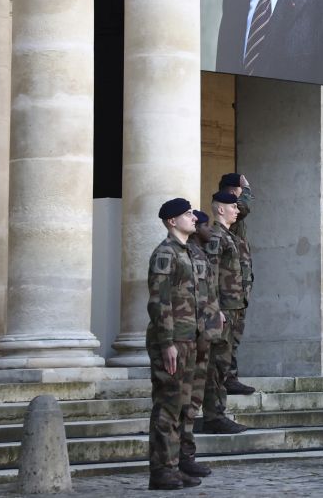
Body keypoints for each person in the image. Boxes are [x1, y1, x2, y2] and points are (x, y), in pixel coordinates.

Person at [146, 198, 204, 490]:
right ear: (172, 221)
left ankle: (174, 466)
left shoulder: (189, 252)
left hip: (188, 338)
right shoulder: (165, 254)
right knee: (168, 405)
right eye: (187, 214)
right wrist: (167, 342)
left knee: (182, 406)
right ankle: (161, 470)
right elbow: (159, 302)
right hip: (171, 341)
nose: (194, 217)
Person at [201, 191, 248, 434]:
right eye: (232, 206)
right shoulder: (217, 237)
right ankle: (214, 415)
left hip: (234, 307)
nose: (237, 210)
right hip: (223, 310)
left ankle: (217, 413)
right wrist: (215, 307)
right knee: (217, 365)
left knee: (224, 362)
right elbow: (210, 275)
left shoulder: (229, 235)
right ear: (220, 209)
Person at [183, 210, 222, 480]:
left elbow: (206, 293)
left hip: (201, 336)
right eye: (197, 220)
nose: (200, 225)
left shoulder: (198, 254)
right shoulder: (172, 253)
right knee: (177, 404)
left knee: (192, 401)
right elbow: (161, 303)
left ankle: (184, 458)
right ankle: (172, 463)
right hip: (183, 338)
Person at [218, 173, 255, 395]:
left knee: (234, 339)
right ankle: (226, 379)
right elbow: (244, 207)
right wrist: (246, 187)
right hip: (227, 295)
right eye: (239, 195)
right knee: (226, 340)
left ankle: (230, 377)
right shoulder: (230, 211)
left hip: (237, 294)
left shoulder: (235, 219)